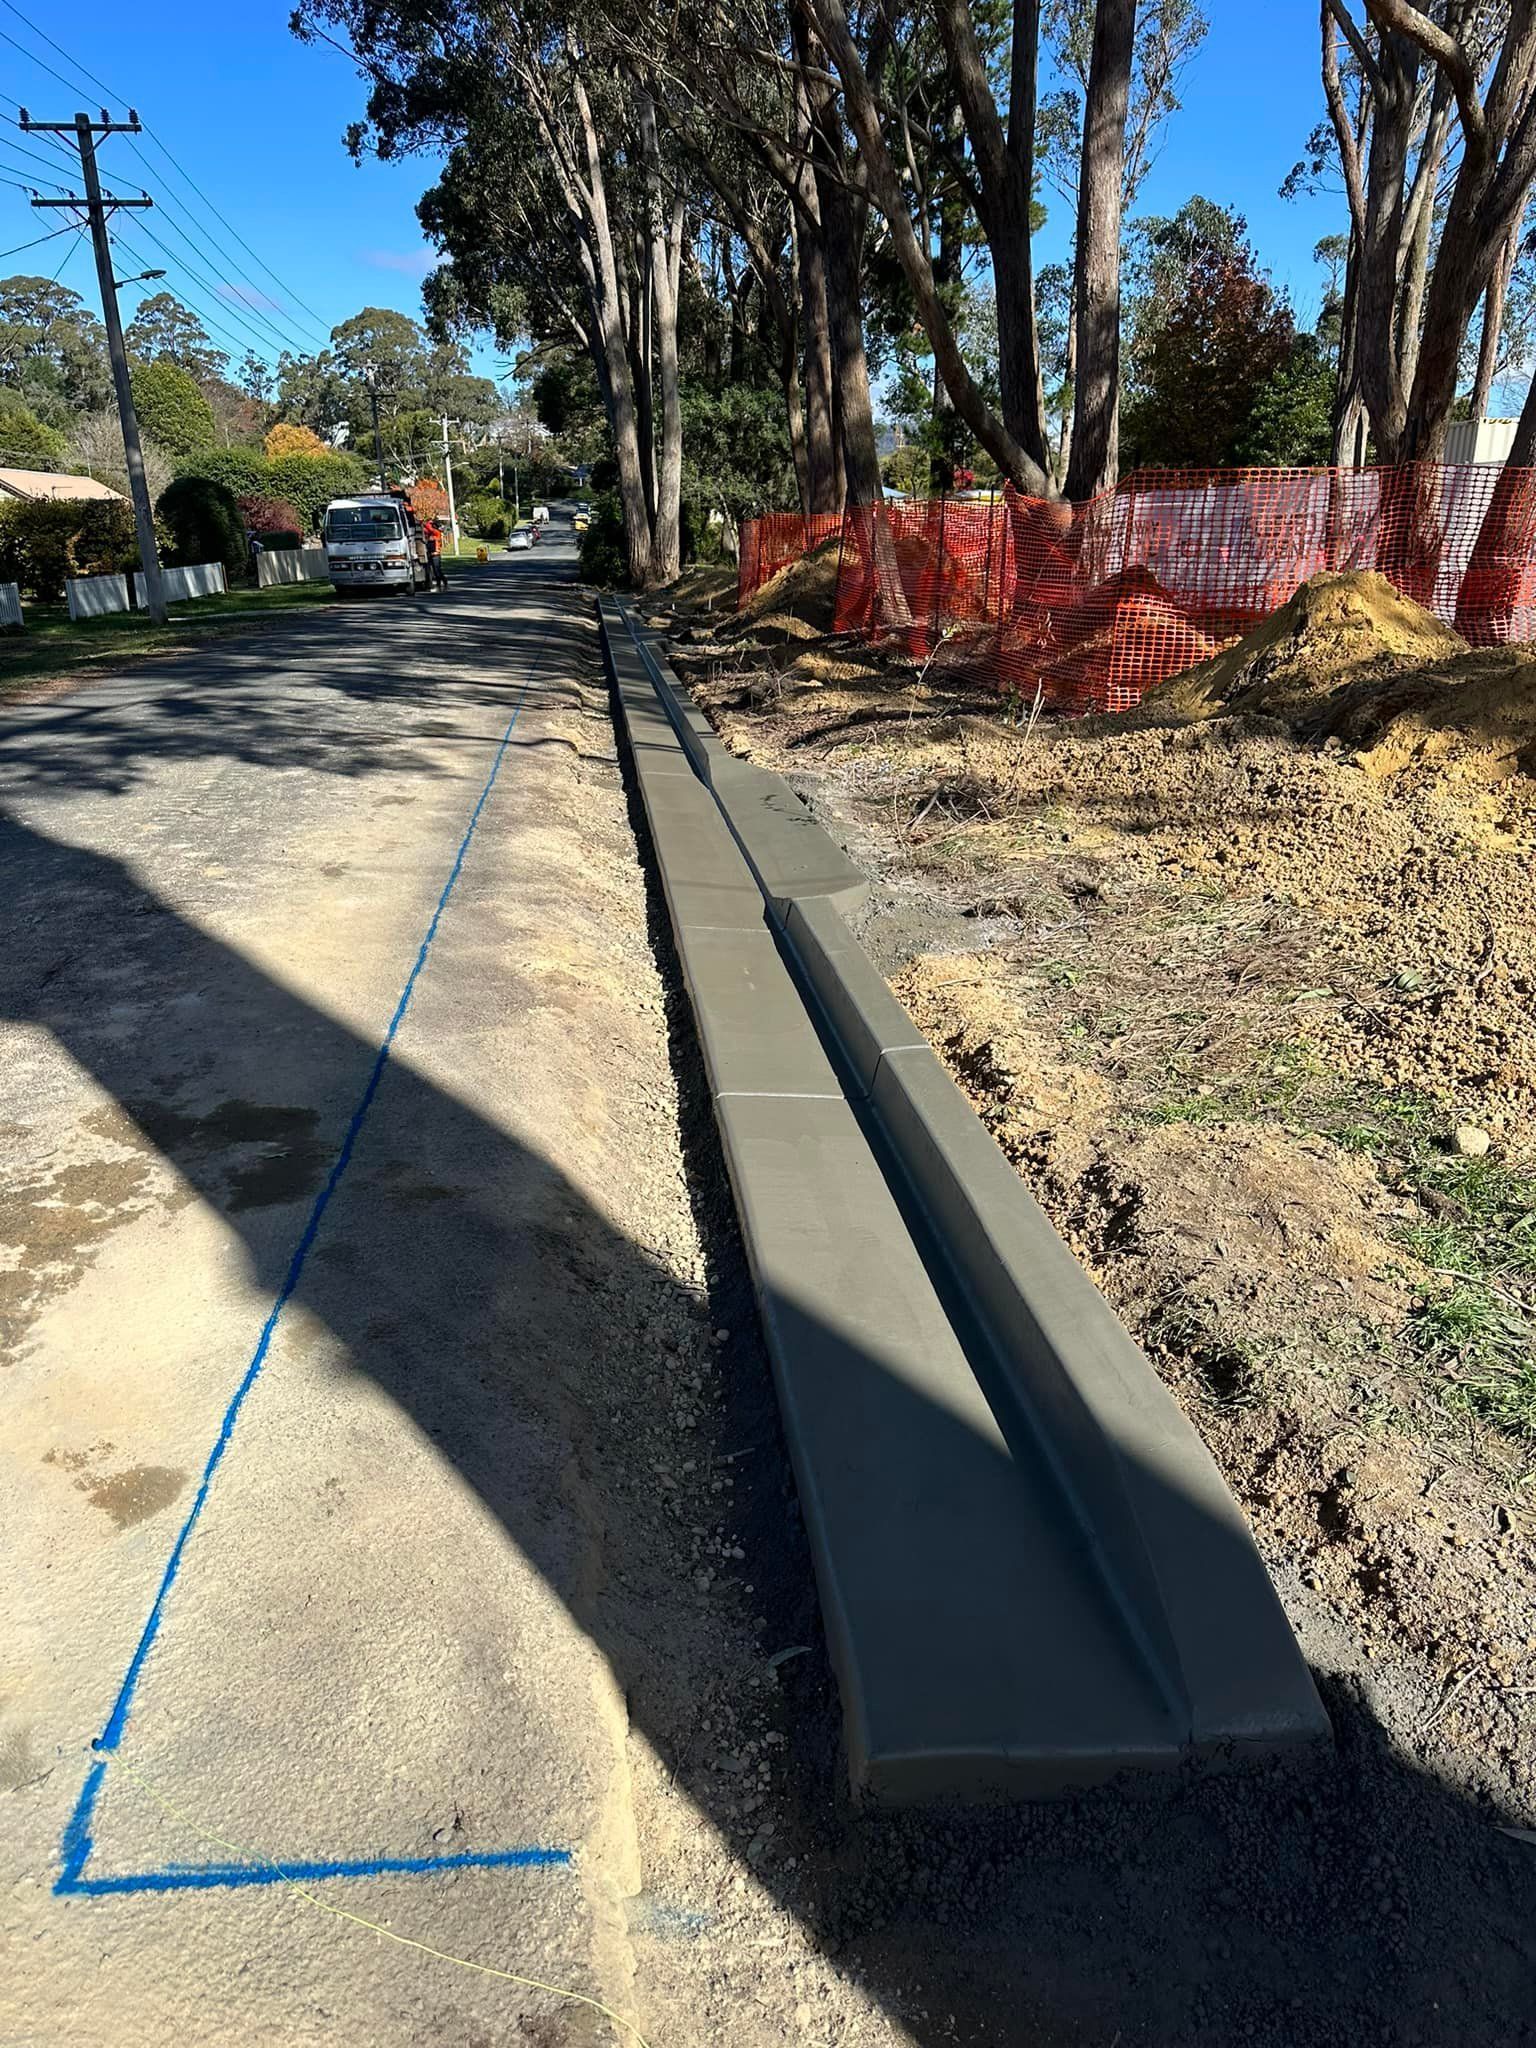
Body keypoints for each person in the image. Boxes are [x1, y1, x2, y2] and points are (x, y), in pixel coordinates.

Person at [422, 516, 446, 590]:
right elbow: (426, 530)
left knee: (437, 570)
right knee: (430, 570)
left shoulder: (437, 533)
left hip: (436, 554)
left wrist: (424, 522)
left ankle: (441, 583)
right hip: (430, 554)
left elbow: (429, 528)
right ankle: (439, 582)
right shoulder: (430, 534)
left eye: (433, 525)